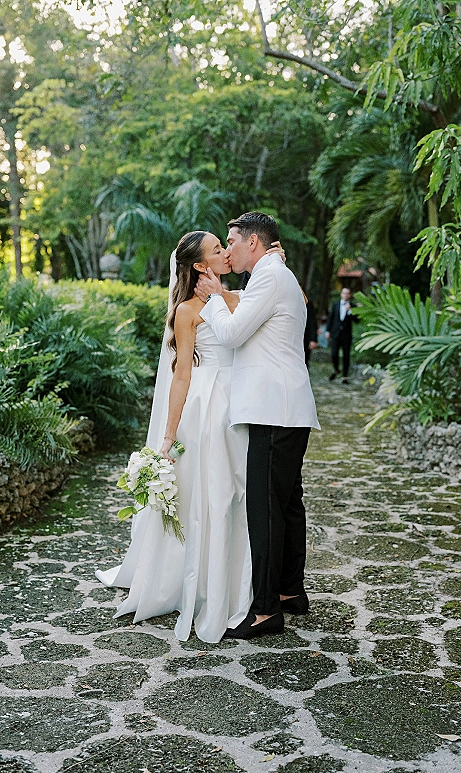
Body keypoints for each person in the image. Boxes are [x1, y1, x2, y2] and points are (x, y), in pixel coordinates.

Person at [95, 231, 254, 643]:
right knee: (208, 494)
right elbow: (181, 373)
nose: (226, 252)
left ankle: (237, 581)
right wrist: (167, 436)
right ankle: (198, 583)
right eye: (217, 250)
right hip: (206, 407)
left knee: (236, 493)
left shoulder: (239, 297)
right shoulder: (186, 310)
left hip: (240, 404)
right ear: (200, 265)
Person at [195, 212, 320, 640]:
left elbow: (231, 334)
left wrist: (214, 297)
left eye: (231, 241)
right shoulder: (271, 275)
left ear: (253, 242)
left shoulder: (268, 276)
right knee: (286, 504)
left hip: (273, 409)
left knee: (265, 509)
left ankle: (266, 610)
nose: (227, 249)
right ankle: (289, 591)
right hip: (286, 407)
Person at [326, 287, 357, 384]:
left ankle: (345, 376)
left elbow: (357, 320)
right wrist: (327, 331)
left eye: (347, 293)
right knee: (334, 353)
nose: (345, 295)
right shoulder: (335, 305)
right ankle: (336, 369)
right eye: (344, 293)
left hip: (346, 335)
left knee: (346, 356)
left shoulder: (353, 306)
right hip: (335, 334)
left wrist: (350, 311)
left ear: (350, 295)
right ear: (341, 294)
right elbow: (330, 318)